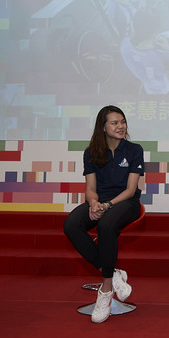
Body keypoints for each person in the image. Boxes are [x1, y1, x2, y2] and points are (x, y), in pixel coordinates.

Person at [64, 105, 144, 323]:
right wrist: (93, 203)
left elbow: (130, 190)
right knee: (71, 224)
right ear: (103, 127)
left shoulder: (134, 150)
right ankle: (113, 272)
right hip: (100, 202)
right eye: (114, 122)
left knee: (106, 225)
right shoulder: (91, 152)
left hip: (126, 202)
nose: (121, 126)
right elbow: (90, 187)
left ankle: (106, 289)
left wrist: (107, 205)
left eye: (123, 122)